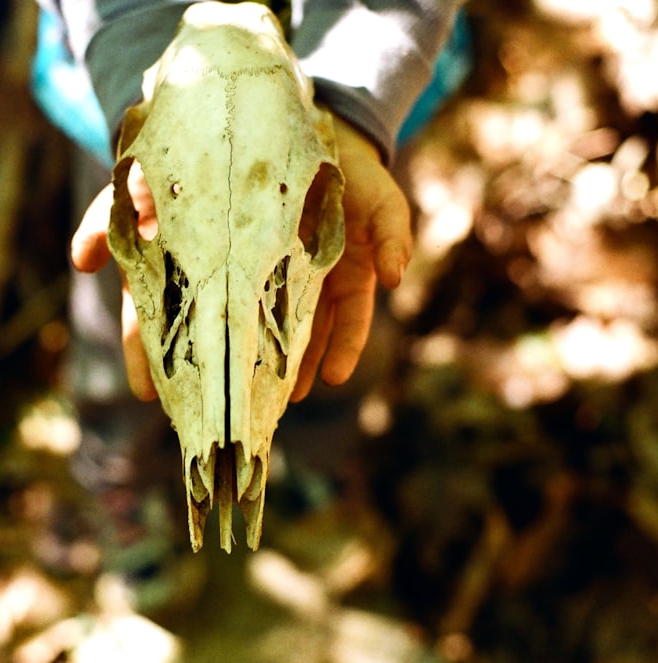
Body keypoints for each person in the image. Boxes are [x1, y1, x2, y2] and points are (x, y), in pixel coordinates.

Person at [31, 0, 470, 612]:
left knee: (340, 298)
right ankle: (124, 473)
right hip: (126, 87)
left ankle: (321, 453)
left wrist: (357, 111)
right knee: (127, 311)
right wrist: (149, 119)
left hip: (372, 84)